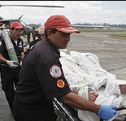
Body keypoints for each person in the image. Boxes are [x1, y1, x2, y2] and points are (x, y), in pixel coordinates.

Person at [13, 15, 116, 121]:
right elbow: (64, 96)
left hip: (34, 102)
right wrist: (98, 109)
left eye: (69, 34)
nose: (68, 38)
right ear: (49, 33)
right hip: (31, 110)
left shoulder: (42, 47)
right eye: (63, 34)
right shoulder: (47, 57)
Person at [0, 21, 24, 112]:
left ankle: (20, 108)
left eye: (20, 31)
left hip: (17, 69)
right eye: (17, 30)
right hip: (6, 69)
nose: (19, 33)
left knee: (21, 89)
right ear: (11, 30)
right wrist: (7, 61)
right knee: (9, 91)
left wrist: (25, 61)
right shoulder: (4, 41)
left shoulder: (20, 41)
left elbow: (20, 54)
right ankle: (14, 111)